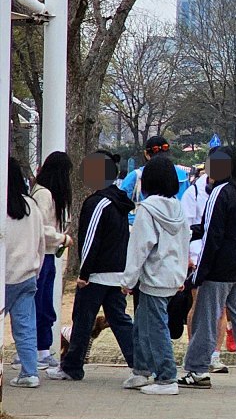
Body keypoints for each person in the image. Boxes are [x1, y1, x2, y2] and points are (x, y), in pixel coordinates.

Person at [177, 146, 236, 389]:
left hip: (219, 269)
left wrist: (199, 273)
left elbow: (211, 236)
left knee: (206, 318)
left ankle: (196, 370)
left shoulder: (220, 192)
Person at [50, 153, 139, 381]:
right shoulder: (119, 202)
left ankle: (72, 366)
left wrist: (84, 272)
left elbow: (91, 240)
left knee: (83, 318)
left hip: (97, 273)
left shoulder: (97, 203)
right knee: (119, 319)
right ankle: (140, 364)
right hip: (116, 271)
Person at [119, 156, 189, 396]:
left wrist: (127, 281)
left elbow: (138, 247)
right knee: (142, 324)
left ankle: (167, 376)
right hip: (173, 276)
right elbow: (183, 244)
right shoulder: (179, 209)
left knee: (155, 327)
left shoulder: (146, 210)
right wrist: (181, 277)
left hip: (153, 278)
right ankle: (141, 369)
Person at [4, 158, 48, 387]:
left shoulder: (2, 204)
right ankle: (30, 373)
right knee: (25, 327)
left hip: (3, 276)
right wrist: (36, 271)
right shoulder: (31, 206)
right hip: (28, 275)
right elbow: (41, 243)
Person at [30, 150, 72, 371]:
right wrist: (61, 238)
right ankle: (34, 350)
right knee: (38, 303)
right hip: (41, 254)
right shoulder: (44, 194)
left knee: (45, 304)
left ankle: (43, 349)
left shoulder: (49, 193)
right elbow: (40, 227)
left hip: (50, 255)